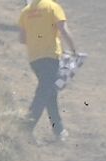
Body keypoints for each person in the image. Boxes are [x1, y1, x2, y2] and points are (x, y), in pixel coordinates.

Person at [18, 0, 80, 142]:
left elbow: (22, 38)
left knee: (49, 92)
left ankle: (58, 129)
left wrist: (36, 39)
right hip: (51, 56)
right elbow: (63, 30)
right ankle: (26, 127)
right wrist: (74, 50)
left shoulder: (26, 11)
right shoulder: (53, 7)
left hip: (34, 58)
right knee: (44, 92)